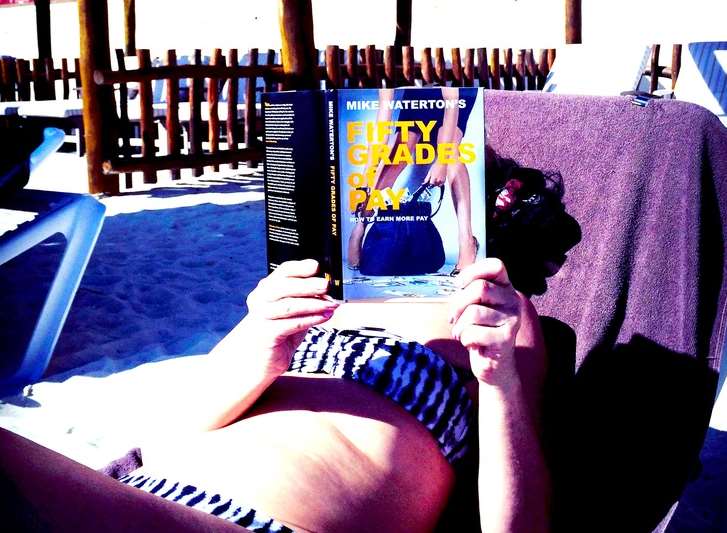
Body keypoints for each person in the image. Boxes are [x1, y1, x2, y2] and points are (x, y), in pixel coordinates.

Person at [0, 152, 571, 533]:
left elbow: (518, 526)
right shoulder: (335, 281)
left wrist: (498, 381)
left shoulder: (500, 313)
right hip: (144, 489)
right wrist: (260, 339)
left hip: (256, 520)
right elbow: (173, 429)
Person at [346, 87, 480, 275]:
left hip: (455, 98)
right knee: (397, 153)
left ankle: (467, 241)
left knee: (450, 152)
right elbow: (384, 117)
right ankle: (360, 227)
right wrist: (366, 178)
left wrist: (441, 161)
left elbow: (452, 102)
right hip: (419, 96)